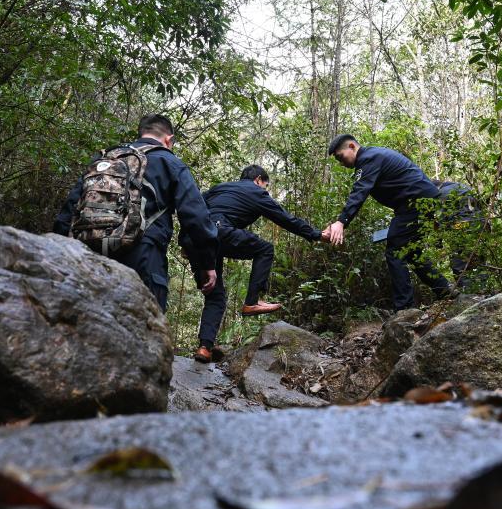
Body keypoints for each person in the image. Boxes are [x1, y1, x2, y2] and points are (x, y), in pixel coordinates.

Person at [52, 114, 218, 311]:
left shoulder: (105, 159)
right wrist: (207, 263)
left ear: (140, 133)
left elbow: (70, 209)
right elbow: (196, 218)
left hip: (89, 253)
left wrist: (61, 254)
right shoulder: (170, 163)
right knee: (145, 327)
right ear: (169, 139)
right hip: (143, 254)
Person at [183, 165, 322, 363]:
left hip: (196, 239)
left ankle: (205, 348)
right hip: (220, 233)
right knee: (265, 249)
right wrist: (316, 234)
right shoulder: (256, 192)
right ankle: (252, 302)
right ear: (258, 180)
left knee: (215, 295)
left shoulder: (218, 188)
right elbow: (286, 219)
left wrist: (185, 242)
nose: (265, 190)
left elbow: (191, 209)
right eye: (265, 186)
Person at [322, 134, 457, 310]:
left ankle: (404, 309)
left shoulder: (368, 158)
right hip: (419, 202)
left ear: (352, 146)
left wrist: (341, 222)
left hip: (415, 202)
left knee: (395, 252)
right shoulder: (372, 156)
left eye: (341, 157)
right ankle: (444, 289)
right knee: (412, 252)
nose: (342, 162)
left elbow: (360, 191)